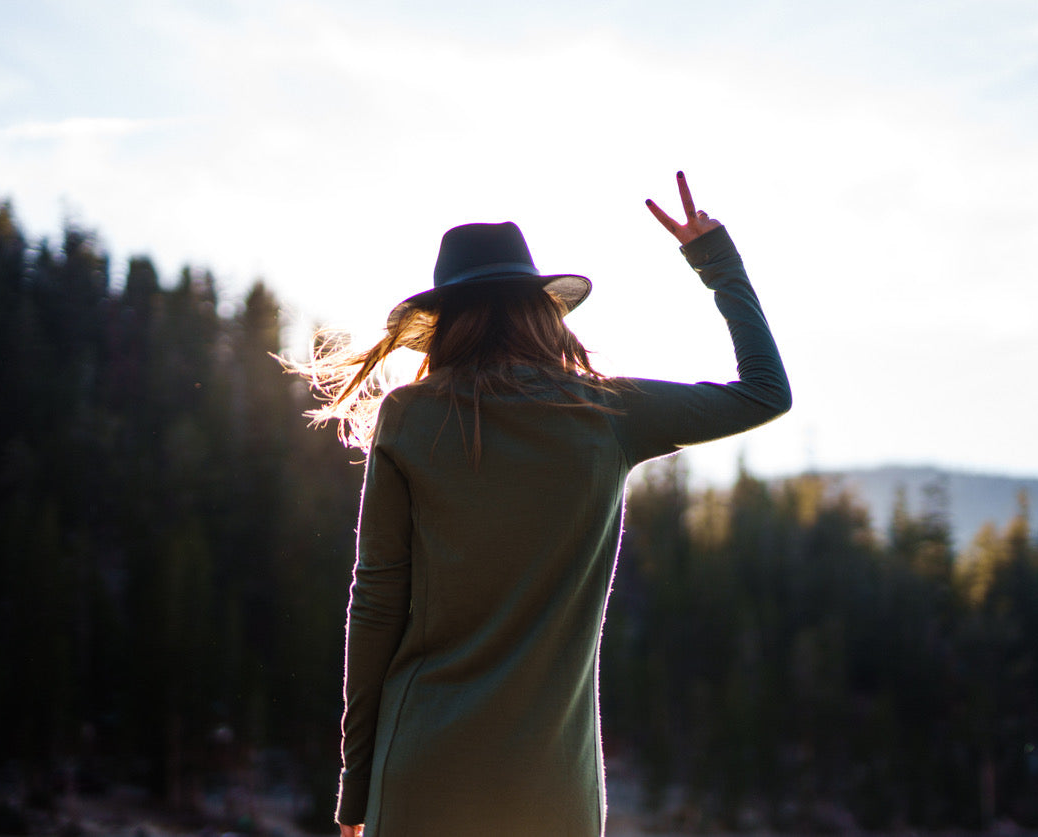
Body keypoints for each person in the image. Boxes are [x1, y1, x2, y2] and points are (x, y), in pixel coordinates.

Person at [301, 172, 791, 836]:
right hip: (552, 793)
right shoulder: (607, 411)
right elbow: (766, 392)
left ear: (445, 324)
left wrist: (355, 790)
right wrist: (716, 262)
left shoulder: (410, 416)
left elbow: (377, 603)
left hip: (422, 770)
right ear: (542, 310)